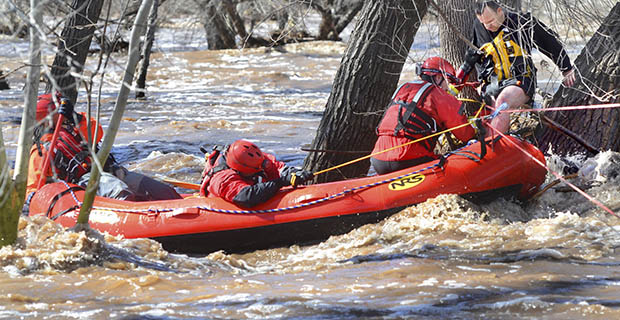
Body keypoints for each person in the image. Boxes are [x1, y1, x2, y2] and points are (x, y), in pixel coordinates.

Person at [26, 92, 182, 201]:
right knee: (122, 193)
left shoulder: (75, 127)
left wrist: (74, 117)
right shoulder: (41, 150)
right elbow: (33, 188)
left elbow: (97, 132)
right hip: (84, 183)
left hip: (112, 172)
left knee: (165, 192)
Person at [455, 0, 576, 134]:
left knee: (503, 102)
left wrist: (567, 69)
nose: (488, 26)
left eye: (490, 21)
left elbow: (550, 42)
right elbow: (473, 54)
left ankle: (492, 148)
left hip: (521, 81)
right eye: (484, 23)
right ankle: (492, 144)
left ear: (500, 11)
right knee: (490, 111)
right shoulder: (480, 27)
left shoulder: (522, 23)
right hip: (494, 85)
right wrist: (460, 78)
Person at [370, 57, 477, 175]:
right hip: (409, 158)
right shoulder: (439, 95)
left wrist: (466, 68)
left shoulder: (404, 88)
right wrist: (477, 132)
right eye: (448, 82)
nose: (448, 87)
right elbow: (465, 134)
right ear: (438, 77)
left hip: (378, 159)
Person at [199, 139, 313, 208]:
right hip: (223, 205)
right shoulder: (223, 178)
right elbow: (246, 197)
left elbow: (279, 169)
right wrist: (279, 183)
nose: (261, 168)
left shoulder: (255, 157)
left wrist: (295, 174)